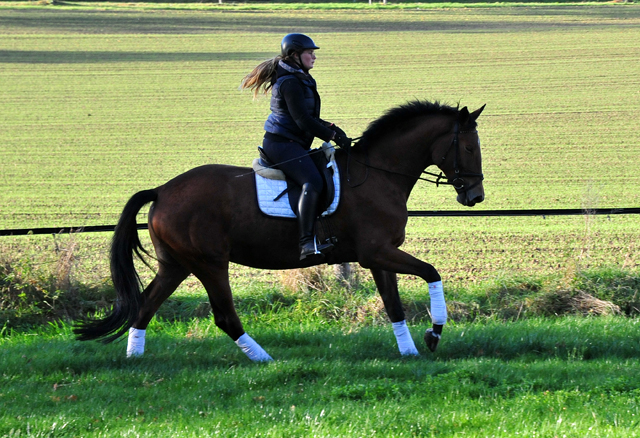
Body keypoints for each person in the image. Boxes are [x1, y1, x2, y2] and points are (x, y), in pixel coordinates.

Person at [241, 33, 351, 260]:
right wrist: (330, 135)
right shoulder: (290, 82)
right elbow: (302, 121)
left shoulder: (301, 78)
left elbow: (309, 118)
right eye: (310, 53)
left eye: (313, 53)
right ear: (295, 56)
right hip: (281, 144)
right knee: (312, 181)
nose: (314, 57)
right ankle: (305, 243)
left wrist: (334, 129)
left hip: (294, 142)